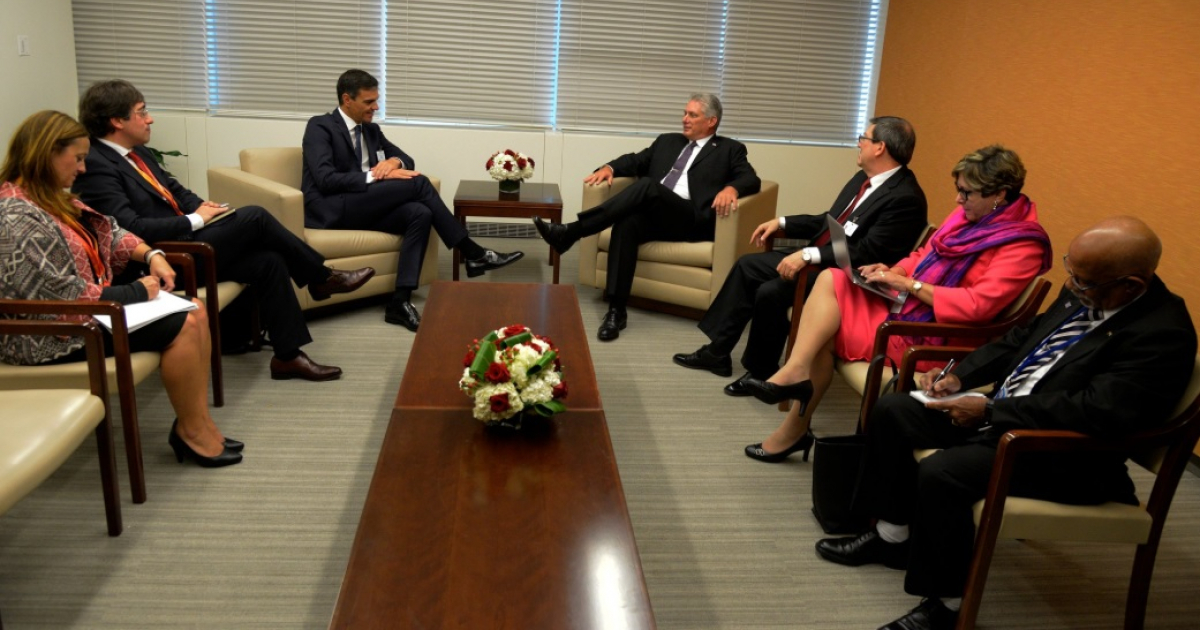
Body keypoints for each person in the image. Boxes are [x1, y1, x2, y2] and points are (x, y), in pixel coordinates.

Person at [817, 217, 1196, 630]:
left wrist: (992, 412)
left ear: (1132, 286)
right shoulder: (1088, 292)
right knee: (895, 411)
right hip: (1007, 416)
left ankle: (946, 605)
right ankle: (893, 537)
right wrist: (961, 375)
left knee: (943, 472)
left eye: (1083, 282)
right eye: (1072, 271)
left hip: (1064, 452)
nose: (1071, 287)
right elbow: (1020, 338)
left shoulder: (1161, 333)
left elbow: (1097, 411)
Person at [742, 145, 1052, 462]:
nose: (958, 200)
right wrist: (896, 270)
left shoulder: (1022, 244)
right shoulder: (971, 214)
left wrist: (911, 285)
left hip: (938, 336)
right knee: (831, 279)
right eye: (959, 190)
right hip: (912, 309)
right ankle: (794, 381)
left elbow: (977, 306)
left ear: (999, 194)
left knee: (822, 335)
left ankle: (792, 426)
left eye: (967, 193)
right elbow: (926, 254)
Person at [73, 79, 371, 383]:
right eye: (141, 112)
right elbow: (128, 229)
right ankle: (321, 278)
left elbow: (178, 192)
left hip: (187, 243)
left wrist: (205, 208)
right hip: (161, 261)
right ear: (116, 121)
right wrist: (196, 220)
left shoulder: (138, 153)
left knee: (268, 260)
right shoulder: (96, 165)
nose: (149, 119)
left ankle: (288, 357)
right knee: (254, 216)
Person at [1, 110, 241, 468]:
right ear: (48, 152)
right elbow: (62, 297)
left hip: (84, 315)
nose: (82, 169)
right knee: (185, 321)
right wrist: (137, 292)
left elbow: (109, 230)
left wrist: (152, 253)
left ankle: (196, 423)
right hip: (47, 335)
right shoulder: (15, 216)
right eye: (78, 158)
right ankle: (191, 432)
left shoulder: (47, 196)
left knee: (194, 309)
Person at [673, 116, 928, 393]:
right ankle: (717, 352)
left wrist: (808, 255)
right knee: (747, 265)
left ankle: (761, 372)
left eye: (863, 138)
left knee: (771, 291)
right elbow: (831, 220)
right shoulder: (863, 179)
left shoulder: (905, 198)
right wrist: (782, 222)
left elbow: (866, 251)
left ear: (879, 147)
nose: (859, 144)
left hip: (850, 279)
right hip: (827, 260)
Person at [301, 69, 524, 331]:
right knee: (419, 182)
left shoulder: (371, 130)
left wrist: (393, 162)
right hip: (333, 207)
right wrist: (375, 175)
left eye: (376, 100)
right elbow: (325, 179)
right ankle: (473, 252)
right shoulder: (319, 126)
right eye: (369, 102)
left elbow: (407, 159)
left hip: (363, 204)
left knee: (420, 212)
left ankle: (400, 301)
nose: (376, 106)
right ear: (347, 100)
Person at [533, 93, 761, 341]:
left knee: (649, 186)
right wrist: (609, 168)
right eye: (684, 113)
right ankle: (616, 311)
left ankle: (573, 231)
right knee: (627, 223)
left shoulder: (729, 150)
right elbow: (635, 160)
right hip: (658, 216)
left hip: (691, 219)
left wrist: (732, 188)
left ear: (711, 121)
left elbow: (751, 179)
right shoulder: (667, 141)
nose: (684, 119)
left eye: (692, 115)